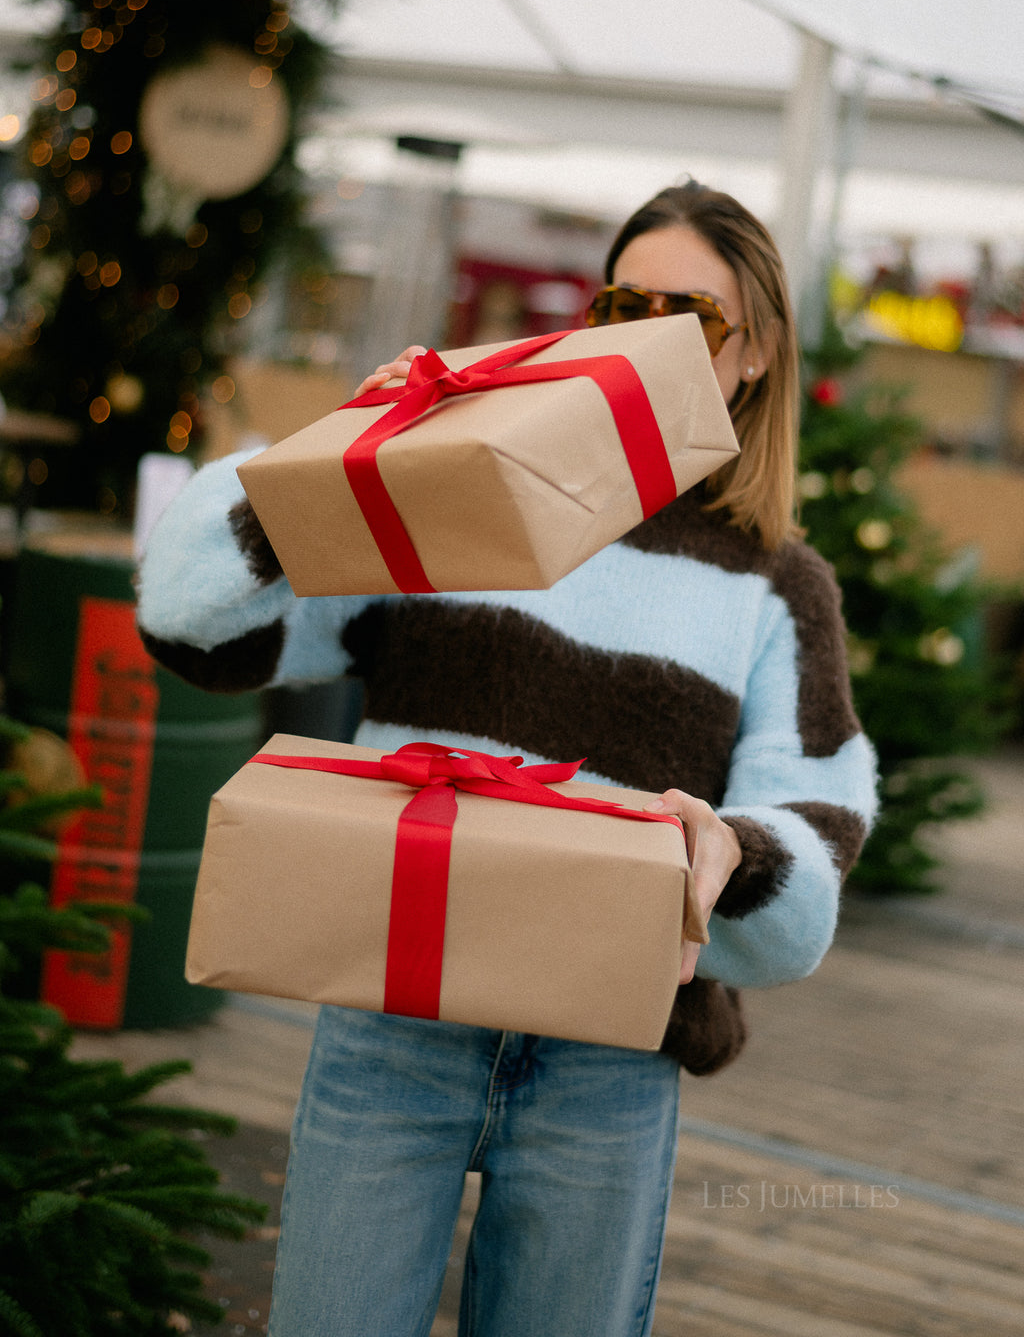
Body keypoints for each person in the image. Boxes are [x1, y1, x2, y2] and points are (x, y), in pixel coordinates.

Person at [136, 179, 877, 1337]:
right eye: (623, 303)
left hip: (609, 1056)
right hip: (395, 1014)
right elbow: (197, 629)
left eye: (693, 316)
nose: (646, 339)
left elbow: (816, 823)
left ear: (757, 354)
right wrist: (349, 452)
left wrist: (733, 850)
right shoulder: (460, 485)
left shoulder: (777, 585)